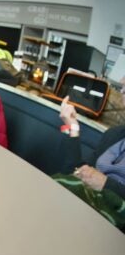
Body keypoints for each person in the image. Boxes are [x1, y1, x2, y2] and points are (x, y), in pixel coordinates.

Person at [53, 96, 125, 229]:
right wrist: (71, 127)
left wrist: (105, 183)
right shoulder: (114, 134)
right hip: (82, 213)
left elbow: (97, 181)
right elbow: (74, 171)